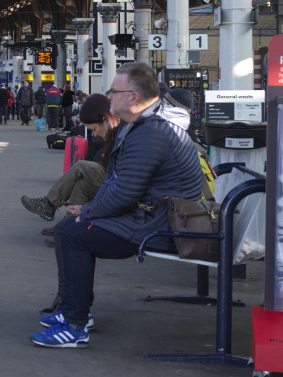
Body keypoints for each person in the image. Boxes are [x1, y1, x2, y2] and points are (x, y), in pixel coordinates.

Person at [29, 62, 204, 348]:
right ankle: (75, 311)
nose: (109, 98)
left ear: (134, 97)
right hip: (157, 215)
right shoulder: (142, 125)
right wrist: (87, 210)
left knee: (73, 234)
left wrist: (87, 211)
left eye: (114, 91)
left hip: (164, 226)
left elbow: (125, 191)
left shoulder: (151, 133)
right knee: (68, 228)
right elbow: (119, 183)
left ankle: (75, 326)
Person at [20, 94, 118, 221]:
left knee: (81, 166)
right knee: (83, 184)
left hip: (115, 180)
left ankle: (49, 204)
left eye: (94, 129)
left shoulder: (121, 130)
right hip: (112, 176)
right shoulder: (118, 129)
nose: (95, 134)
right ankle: (67, 223)